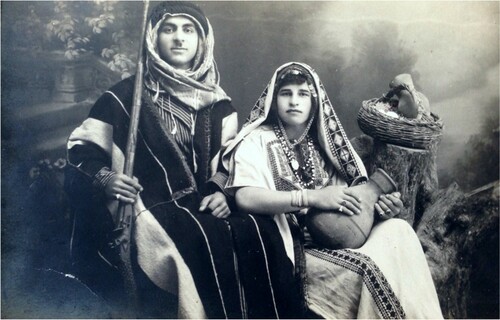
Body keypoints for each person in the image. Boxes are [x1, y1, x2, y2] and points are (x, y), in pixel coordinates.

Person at [65, 2, 297, 318]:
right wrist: (107, 178)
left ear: (202, 41)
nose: (179, 38)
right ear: (153, 37)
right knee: (198, 238)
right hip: (147, 205)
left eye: (189, 30)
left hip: (201, 201)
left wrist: (221, 192)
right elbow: (81, 151)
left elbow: (231, 161)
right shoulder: (123, 98)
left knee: (259, 229)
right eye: (169, 29)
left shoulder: (218, 104)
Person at [223, 62, 443, 318]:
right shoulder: (256, 140)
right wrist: (312, 197)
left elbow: (354, 203)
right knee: (368, 268)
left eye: (303, 94)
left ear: (315, 102)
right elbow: (245, 197)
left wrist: (379, 208)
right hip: (294, 249)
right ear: (273, 99)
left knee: (400, 231)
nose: (294, 101)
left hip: (340, 237)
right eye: (286, 93)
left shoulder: (328, 145)